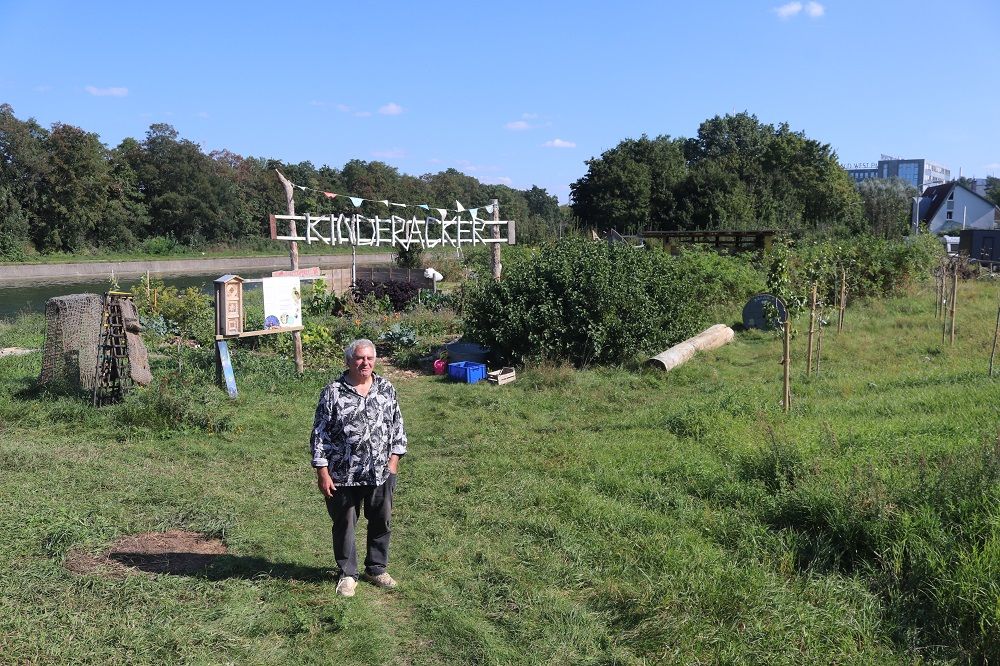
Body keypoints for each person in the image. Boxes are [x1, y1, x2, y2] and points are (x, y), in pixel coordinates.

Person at [310, 338, 407, 597]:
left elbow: (397, 427)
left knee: (381, 521)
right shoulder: (333, 392)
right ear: (348, 361)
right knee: (344, 524)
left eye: (370, 358)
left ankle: (376, 568)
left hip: (381, 472)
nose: (365, 363)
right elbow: (320, 434)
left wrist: (393, 462)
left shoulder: (386, 388)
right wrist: (322, 471)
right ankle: (347, 574)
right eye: (359, 358)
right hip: (343, 473)